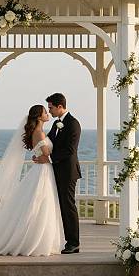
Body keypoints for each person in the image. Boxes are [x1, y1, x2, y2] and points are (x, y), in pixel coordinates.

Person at [0, 104, 64, 256]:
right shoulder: (39, 133)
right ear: (39, 116)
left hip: (42, 169)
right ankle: (33, 240)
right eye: (45, 112)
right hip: (42, 171)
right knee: (40, 204)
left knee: (40, 204)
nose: (47, 113)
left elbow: (43, 154)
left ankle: (39, 239)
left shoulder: (39, 132)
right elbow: (47, 153)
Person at [33, 93, 82, 254]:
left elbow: (70, 150)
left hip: (68, 172)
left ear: (60, 106)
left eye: (51, 107)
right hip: (55, 171)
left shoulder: (73, 124)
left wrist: (48, 159)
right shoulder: (56, 124)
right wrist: (40, 153)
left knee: (68, 206)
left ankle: (73, 242)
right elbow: (48, 143)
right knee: (60, 205)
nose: (50, 110)